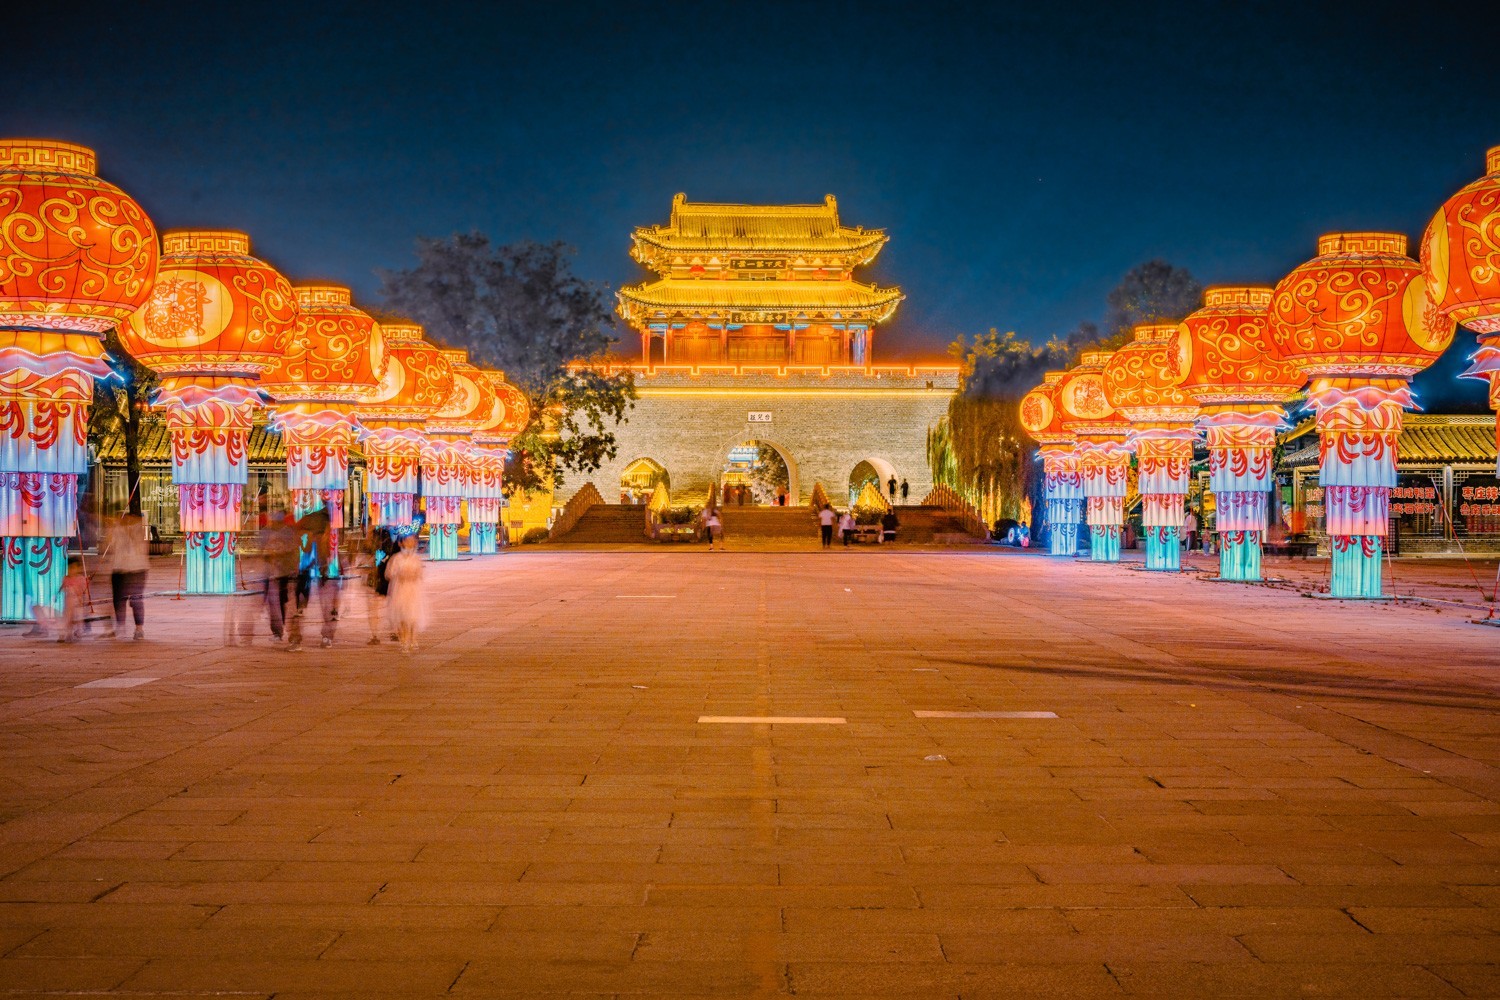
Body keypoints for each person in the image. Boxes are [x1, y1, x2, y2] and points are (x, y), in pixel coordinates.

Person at [103, 512, 149, 640]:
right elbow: (109, 543)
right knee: (118, 599)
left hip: (137, 569)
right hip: (119, 568)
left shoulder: (138, 529)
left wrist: (125, 527)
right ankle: (120, 626)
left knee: (136, 599)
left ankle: (139, 629)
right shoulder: (117, 528)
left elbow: (138, 542)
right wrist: (111, 528)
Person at [384, 534, 427, 654]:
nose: (410, 543)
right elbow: (389, 573)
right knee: (402, 615)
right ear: (401, 543)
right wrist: (399, 575)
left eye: (412, 541)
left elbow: (420, 574)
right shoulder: (397, 558)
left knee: (413, 615)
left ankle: (413, 638)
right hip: (400, 589)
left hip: (413, 589)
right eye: (407, 541)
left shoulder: (416, 558)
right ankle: (403, 640)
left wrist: (414, 575)